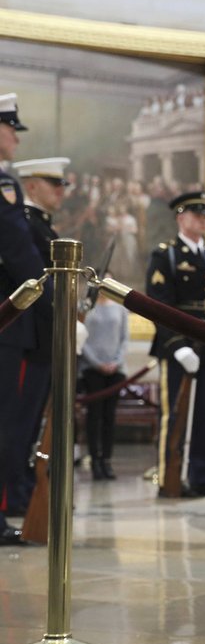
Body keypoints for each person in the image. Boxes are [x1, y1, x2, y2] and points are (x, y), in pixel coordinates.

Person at [145, 190, 205, 499]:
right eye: (197, 215)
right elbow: (158, 304)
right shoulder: (166, 254)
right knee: (175, 414)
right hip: (178, 345)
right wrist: (178, 344)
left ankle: (200, 477)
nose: (203, 221)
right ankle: (170, 477)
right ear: (181, 218)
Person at [6, 156, 68, 510]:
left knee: (31, 423)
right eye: (53, 183)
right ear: (30, 185)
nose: (60, 191)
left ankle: (24, 488)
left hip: (44, 338)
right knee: (19, 422)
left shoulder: (43, 226)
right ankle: (14, 494)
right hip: (30, 337)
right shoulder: (27, 224)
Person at [0, 92, 41, 544]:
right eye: (11, 127)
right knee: (5, 419)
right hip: (7, 318)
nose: (14, 136)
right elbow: (18, 252)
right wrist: (51, 293)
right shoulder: (2, 184)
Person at [80, 278, 129, 481]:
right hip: (92, 369)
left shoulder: (120, 309)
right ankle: (95, 460)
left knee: (109, 417)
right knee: (95, 416)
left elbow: (124, 338)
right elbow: (80, 337)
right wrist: (97, 363)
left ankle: (107, 460)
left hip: (115, 369)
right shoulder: (86, 308)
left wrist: (116, 362)